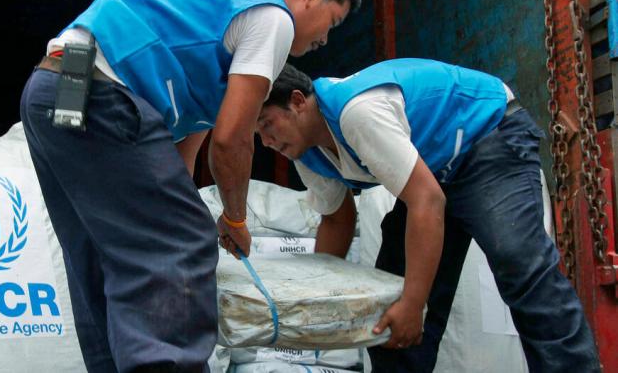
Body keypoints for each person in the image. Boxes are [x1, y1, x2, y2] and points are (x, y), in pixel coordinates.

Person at [19, 0, 362, 372]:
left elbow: (186, 147)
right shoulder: (272, 17)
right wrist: (233, 218)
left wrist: (178, 205)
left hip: (56, 85)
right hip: (104, 93)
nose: (325, 40)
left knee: (98, 249)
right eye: (332, 21)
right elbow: (232, 138)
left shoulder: (217, 16)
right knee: (182, 244)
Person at [255, 60, 600, 373]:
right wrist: (315, 298)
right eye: (259, 135)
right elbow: (337, 220)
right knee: (389, 302)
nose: (267, 142)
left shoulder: (356, 112)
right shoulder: (306, 152)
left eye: (267, 125)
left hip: (488, 138)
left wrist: (413, 303)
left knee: (518, 263)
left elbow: (426, 202)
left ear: (298, 101)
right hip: (435, 171)